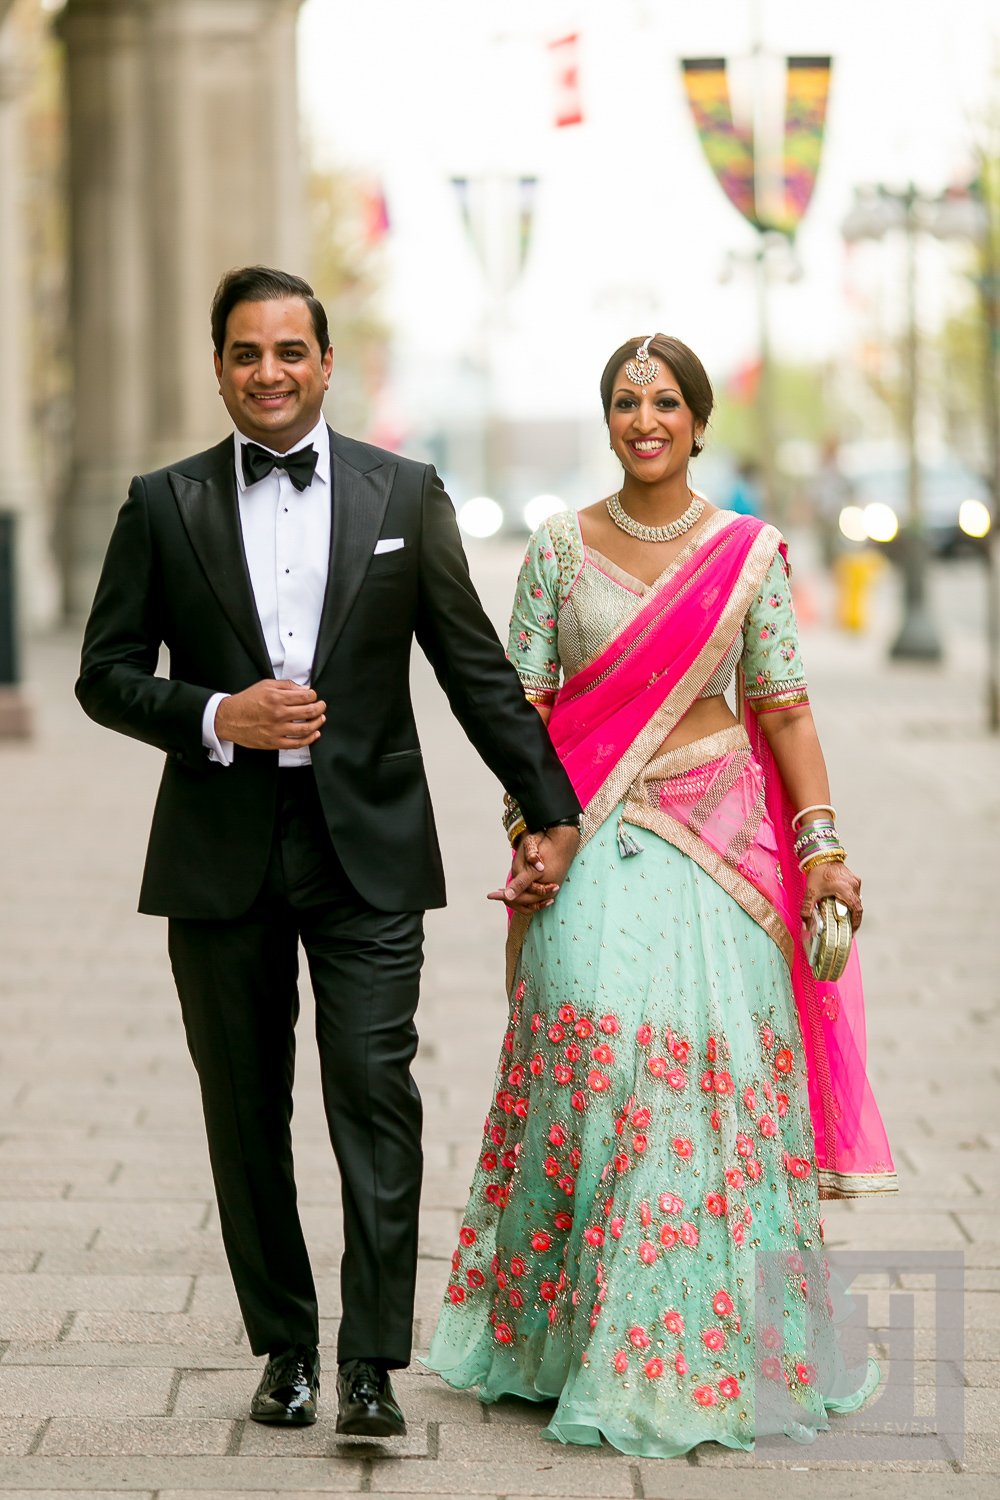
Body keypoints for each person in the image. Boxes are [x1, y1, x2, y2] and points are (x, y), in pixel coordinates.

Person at [75, 266, 581, 1435]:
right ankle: (286, 1351)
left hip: (369, 849)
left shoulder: (404, 490)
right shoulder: (163, 502)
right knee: (245, 1109)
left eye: (289, 352)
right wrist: (214, 716)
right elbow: (103, 674)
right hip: (219, 847)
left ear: (325, 363)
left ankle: (369, 1365)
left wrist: (546, 803)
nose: (268, 373)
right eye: (245, 354)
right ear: (218, 368)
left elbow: (471, 666)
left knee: (373, 1091)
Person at [426, 335, 896, 1458]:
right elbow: (518, 710)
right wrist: (531, 830)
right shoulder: (556, 550)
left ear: (696, 423)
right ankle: (566, 1338)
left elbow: (781, 705)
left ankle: (717, 1346)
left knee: (709, 1073)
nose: (647, 418)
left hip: (722, 834)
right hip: (585, 830)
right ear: (608, 421)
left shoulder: (748, 554)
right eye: (627, 401)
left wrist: (821, 845)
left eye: (667, 401)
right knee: (594, 1053)